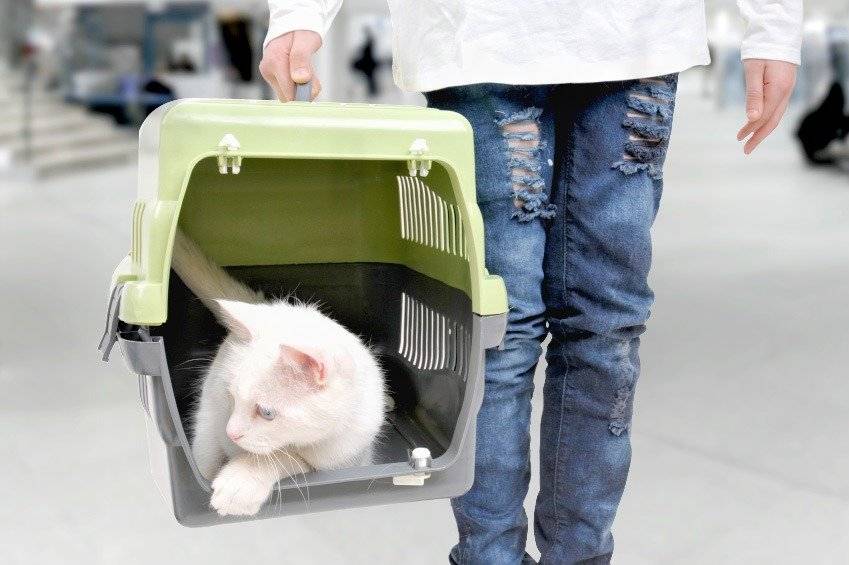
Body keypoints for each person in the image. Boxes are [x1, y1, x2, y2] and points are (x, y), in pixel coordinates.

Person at [259, 2, 802, 563]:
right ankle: (490, 556)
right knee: (504, 326)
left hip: (635, 33)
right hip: (482, 34)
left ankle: (576, 556)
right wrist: (300, 13)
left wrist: (775, 29)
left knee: (597, 327)